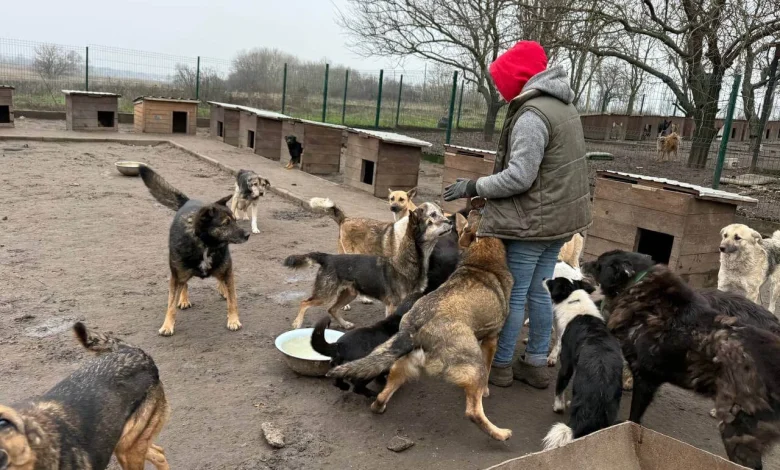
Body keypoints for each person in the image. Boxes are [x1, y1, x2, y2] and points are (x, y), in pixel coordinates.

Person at [443, 41, 591, 389]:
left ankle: (503, 364)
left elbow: (520, 176)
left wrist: (473, 186)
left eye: (500, 80)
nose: (498, 88)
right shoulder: (563, 106)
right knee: (541, 292)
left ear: (518, 77)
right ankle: (536, 363)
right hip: (560, 220)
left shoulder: (531, 116)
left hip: (531, 224)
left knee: (514, 294)